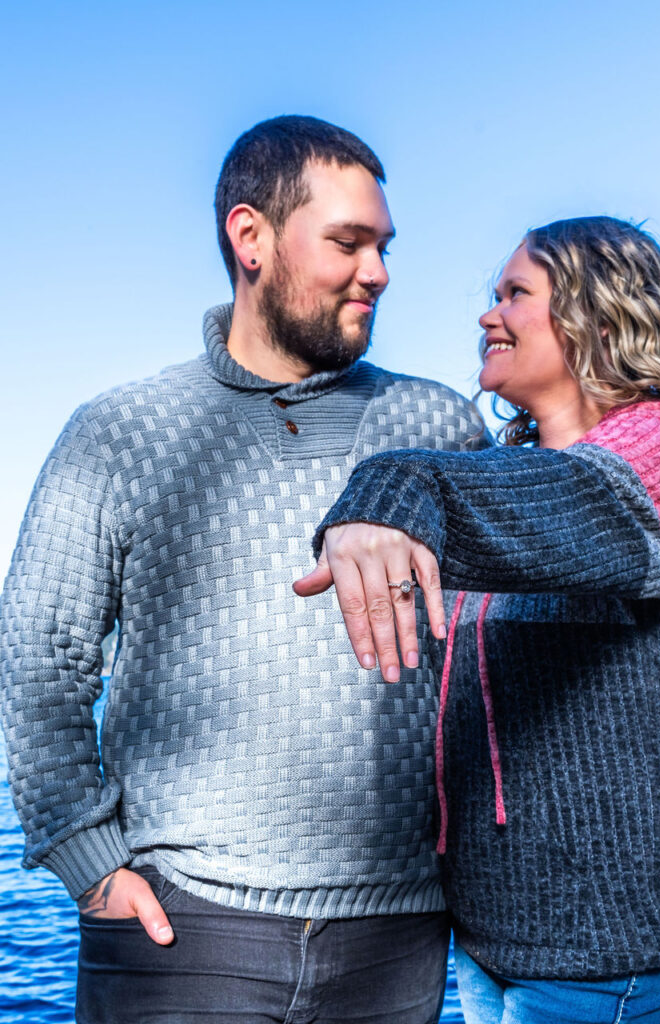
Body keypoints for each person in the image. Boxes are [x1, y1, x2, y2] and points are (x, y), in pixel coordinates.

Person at [0, 115, 488, 1024]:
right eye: (347, 242)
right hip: (180, 934)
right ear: (249, 236)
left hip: (399, 938)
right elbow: (39, 653)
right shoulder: (119, 433)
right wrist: (87, 861)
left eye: (383, 246)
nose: (376, 272)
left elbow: (492, 659)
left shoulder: (441, 425)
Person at [295, 216, 660, 1023]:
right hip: (489, 946)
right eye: (492, 296)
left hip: (599, 957)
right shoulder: (511, 478)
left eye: (514, 294)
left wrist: (392, 490)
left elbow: (569, 500)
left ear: (597, 317)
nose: (488, 315)